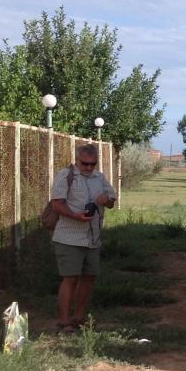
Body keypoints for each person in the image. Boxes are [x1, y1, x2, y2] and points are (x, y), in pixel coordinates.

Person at [49, 143, 117, 333]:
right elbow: (56, 204)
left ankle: (78, 317)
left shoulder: (99, 177)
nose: (88, 167)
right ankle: (64, 321)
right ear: (77, 160)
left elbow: (112, 201)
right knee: (70, 278)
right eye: (85, 163)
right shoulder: (66, 175)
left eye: (92, 164)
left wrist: (106, 200)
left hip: (93, 237)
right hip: (69, 237)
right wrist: (75, 216)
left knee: (89, 278)